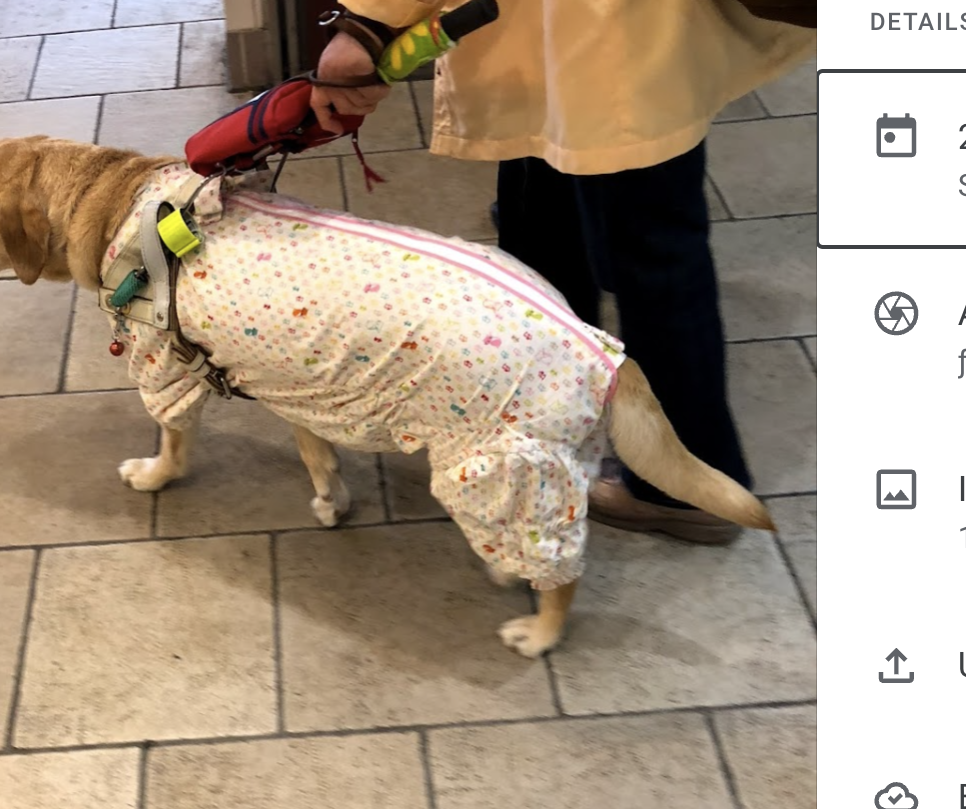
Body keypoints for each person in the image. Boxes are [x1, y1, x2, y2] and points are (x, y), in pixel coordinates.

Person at [311, 1, 814, 543]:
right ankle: (552, 397)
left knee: (651, 248)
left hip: (606, 32)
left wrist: (369, 21)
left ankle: (688, 491)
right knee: (549, 191)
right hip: (601, 31)